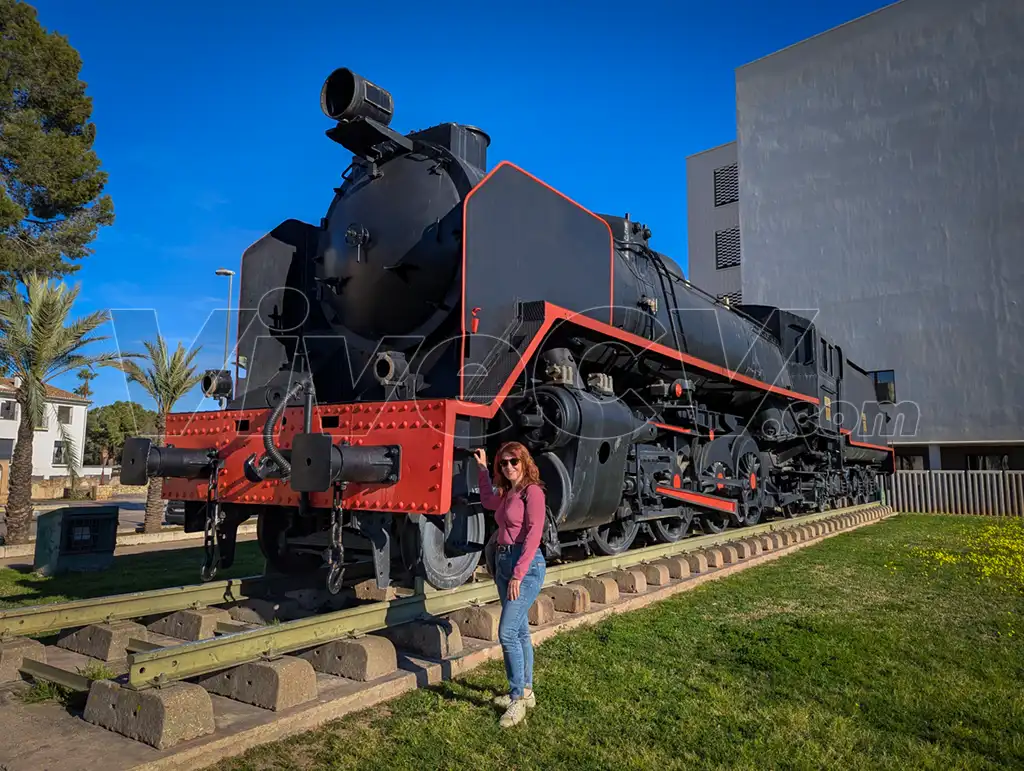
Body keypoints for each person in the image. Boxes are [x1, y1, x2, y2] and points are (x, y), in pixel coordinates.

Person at [473, 441, 547, 728]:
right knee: (520, 631)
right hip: (504, 562)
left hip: (525, 567)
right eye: (503, 463)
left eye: (513, 461)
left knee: (506, 633)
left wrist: (518, 573)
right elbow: (486, 501)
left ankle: (517, 699)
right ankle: (526, 691)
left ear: (524, 462)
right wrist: (482, 469)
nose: (508, 467)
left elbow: (534, 534)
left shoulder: (532, 492)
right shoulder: (507, 493)